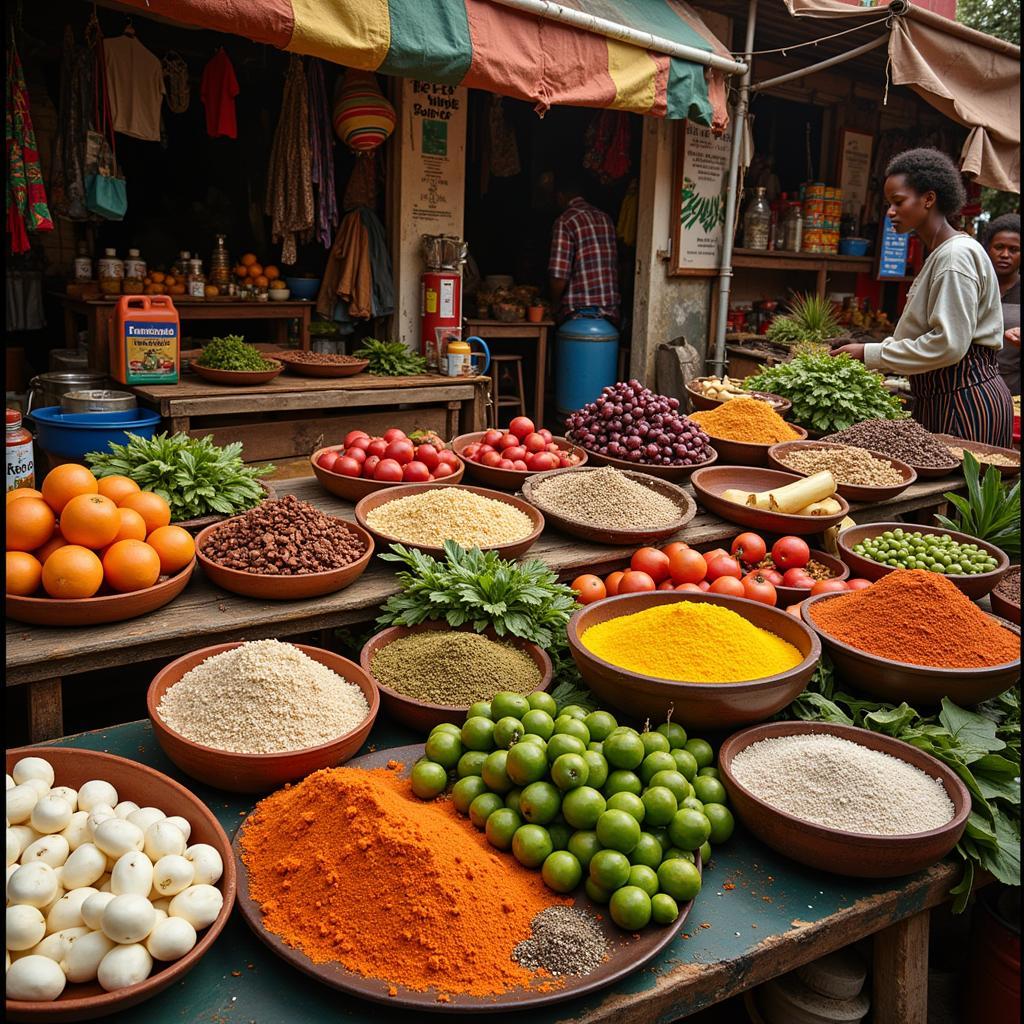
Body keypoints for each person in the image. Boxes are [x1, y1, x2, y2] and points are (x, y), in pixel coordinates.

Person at [831, 148, 1013, 447]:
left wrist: (868, 353)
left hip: (964, 400)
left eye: (898, 202)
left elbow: (949, 344)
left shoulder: (955, 256)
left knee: (961, 493)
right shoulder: (943, 253)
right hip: (944, 397)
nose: (890, 212)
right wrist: (869, 350)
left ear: (928, 199)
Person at [548, 171, 620, 325]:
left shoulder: (565, 220)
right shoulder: (605, 218)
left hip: (579, 312)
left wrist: (554, 304)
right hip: (610, 311)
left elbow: (559, 275)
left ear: (560, 197)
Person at [982, 213, 1020, 397]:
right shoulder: (975, 287)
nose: (1005, 255)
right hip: (972, 389)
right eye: (999, 247)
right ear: (988, 249)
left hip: (1014, 393)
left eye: (1014, 249)